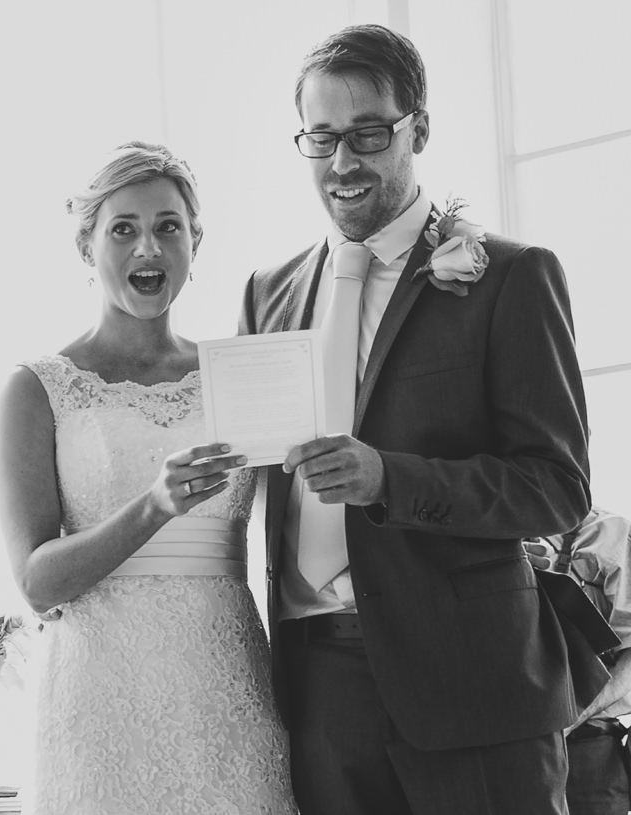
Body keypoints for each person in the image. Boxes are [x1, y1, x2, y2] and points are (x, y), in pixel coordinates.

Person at [238, 23, 591, 815]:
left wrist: (387, 478)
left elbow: (556, 487)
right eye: (321, 138)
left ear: (418, 129)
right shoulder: (268, 291)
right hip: (318, 691)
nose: (342, 162)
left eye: (368, 133)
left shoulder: (512, 277)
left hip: (474, 688)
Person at [0, 141, 297, 814]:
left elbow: (300, 525)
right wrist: (154, 506)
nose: (147, 248)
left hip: (226, 681)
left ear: (195, 240)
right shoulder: (38, 388)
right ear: (86, 245)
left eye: (167, 226)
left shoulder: (240, 372)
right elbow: (38, 581)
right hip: (100, 695)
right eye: (122, 229)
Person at [527, 507, 631, 815]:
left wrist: (568, 721)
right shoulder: (479, 534)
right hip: (500, 749)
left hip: (586, 749)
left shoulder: (610, 534)